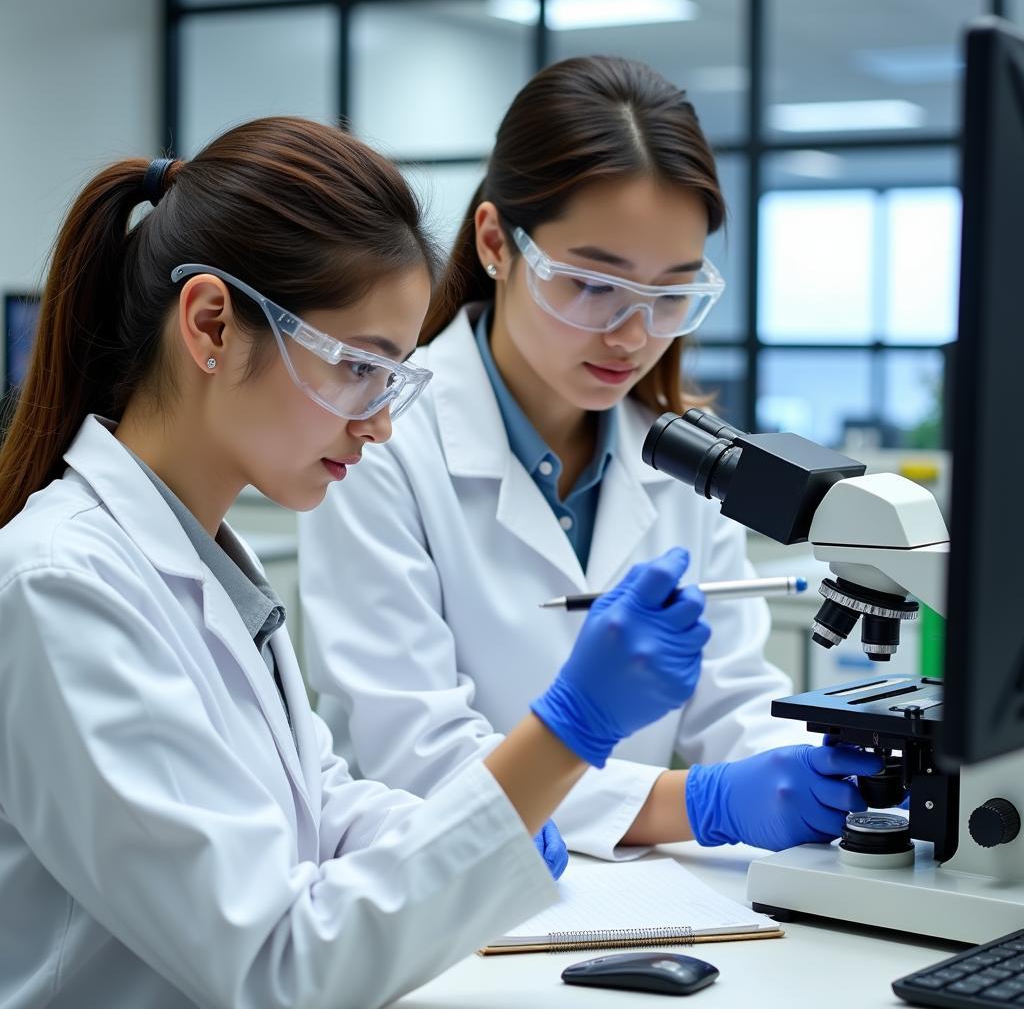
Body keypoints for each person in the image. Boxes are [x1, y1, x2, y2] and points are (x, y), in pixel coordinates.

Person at [0, 117, 752, 1009]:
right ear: (210, 324)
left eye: (392, 379)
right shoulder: (62, 586)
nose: (380, 422)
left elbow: (323, 811)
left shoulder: (201, 562)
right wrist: (566, 736)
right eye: (360, 367)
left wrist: (495, 834)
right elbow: (279, 966)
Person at [299, 57, 881, 861]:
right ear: (497, 243)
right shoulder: (377, 444)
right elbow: (422, 757)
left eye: (672, 293)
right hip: (425, 910)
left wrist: (819, 774)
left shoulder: (689, 461)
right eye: (593, 285)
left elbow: (734, 698)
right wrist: (703, 804)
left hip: (630, 909)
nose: (633, 336)